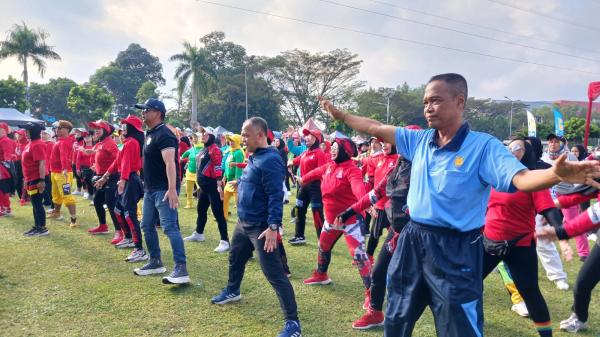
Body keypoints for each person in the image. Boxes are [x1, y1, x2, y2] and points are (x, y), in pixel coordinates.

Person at [319, 73, 600, 337]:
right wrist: (342, 116)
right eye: (426, 102)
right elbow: (375, 127)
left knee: (459, 326)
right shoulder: (418, 140)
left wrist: (554, 174)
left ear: (460, 102)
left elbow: (523, 178)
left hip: (456, 248)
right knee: (397, 316)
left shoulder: (483, 147)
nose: (429, 107)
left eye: (436, 100)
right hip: (412, 241)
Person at [211, 117, 301, 337]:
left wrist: (273, 227)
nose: (242, 138)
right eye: (242, 134)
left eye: (246, 134)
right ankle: (233, 290)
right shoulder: (255, 156)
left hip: (261, 227)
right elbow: (256, 179)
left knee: (274, 274)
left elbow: (275, 195)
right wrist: (240, 182)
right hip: (244, 223)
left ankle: (293, 323)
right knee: (235, 257)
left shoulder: (270, 159)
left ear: (260, 134)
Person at [483, 138, 565, 337]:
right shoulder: (496, 176)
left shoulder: (532, 179)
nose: (512, 150)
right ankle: (472, 326)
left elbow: (550, 210)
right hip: (489, 243)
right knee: (469, 285)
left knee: (530, 292)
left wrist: (561, 232)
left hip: (520, 245)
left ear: (526, 152)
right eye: (510, 146)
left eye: (518, 147)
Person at [299, 135, 371, 293]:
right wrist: (303, 179)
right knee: (323, 246)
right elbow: (316, 172)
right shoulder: (330, 166)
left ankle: (371, 292)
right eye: (331, 148)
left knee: (358, 255)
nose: (331, 150)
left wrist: (366, 203)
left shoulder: (352, 169)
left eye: (335, 148)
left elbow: (358, 187)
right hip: (331, 221)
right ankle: (321, 274)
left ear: (345, 151)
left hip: (351, 219)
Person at [132, 98, 190, 284]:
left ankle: (181, 268)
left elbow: (170, 163)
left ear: (158, 113)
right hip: (150, 189)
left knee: (170, 228)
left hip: (164, 188)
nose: (143, 113)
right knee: (146, 225)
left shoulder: (164, 134)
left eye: (146, 110)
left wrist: (172, 189)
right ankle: (155, 261)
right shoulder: (150, 134)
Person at [102, 115, 147, 262]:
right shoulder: (126, 142)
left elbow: (127, 163)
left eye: (125, 126)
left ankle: (139, 249)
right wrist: (105, 176)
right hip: (126, 179)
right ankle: (128, 237)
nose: (122, 129)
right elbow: (117, 162)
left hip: (130, 180)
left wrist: (122, 181)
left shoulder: (132, 142)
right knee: (118, 210)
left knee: (129, 214)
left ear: (131, 128)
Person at [183, 126, 230, 253]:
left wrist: (219, 186)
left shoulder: (215, 150)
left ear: (212, 136)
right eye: (202, 134)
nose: (202, 136)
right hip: (203, 187)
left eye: (205, 134)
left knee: (218, 213)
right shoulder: (204, 149)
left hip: (213, 186)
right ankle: (199, 233)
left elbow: (218, 167)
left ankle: (225, 241)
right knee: (201, 210)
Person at [287, 128, 329, 245]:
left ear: (316, 139)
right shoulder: (306, 152)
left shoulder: (319, 153)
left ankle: (322, 240)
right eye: (306, 136)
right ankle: (299, 235)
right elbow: (296, 160)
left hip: (315, 188)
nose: (306, 138)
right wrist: (290, 162)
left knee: (317, 213)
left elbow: (320, 171)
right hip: (303, 187)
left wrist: (305, 178)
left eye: (310, 136)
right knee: (299, 210)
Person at [87, 120, 120, 241]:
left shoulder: (110, 143)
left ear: (105, 130)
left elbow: (118, 160)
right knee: (97, 201)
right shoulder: (101, 142)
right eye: (95, 128)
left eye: (99, 128)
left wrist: (106, 174)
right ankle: (103, 226)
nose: (96, 130)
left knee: (111, 204)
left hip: (111, 177)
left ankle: (119, 231)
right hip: (100, 177)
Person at [20, 122, 49, 237]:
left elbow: (42, 163)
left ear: (34, 132)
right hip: (31, 177)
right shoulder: (31, 143)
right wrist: (26, 179)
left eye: (27, 131)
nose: (25, 133)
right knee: (35, 203)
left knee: (37, 203)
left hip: (38, 178)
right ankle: (37, 226)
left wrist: (41, 180)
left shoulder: (38, 144)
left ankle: (42, 228)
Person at [47, 120, 78, 228]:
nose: (57, 130)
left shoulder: (65, 141)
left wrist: (64, 169)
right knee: (55, 194)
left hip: (62, 173)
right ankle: (56, 212)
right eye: (57, 128)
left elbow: (64, 156)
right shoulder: (60, 140)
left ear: (66, 129)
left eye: (59, 128)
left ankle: (73, 219)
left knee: (66, 195)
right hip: (56, 172)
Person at [222, 133, 245, 220]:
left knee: (238, 203)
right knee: (224, 200)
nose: (231, 142)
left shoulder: (238, 152)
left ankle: (242, 220)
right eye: (230, 141)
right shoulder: (230, 151)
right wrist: (224, 176)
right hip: (229, 181)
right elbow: (228, 165)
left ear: (238, 141)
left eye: (233, 141)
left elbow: (239, 168)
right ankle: (224, 217)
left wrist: (237, 181)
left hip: (235, 182)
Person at [180, 132, 202, 209]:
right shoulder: (191, 149)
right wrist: (183, 159)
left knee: (201, 188)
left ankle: (202, 203)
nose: (194, 140)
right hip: (190, 172)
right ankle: (189, 204)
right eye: (193, 138)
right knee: (188, 189)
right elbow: (183, 156)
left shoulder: (203, 149)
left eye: (196, 138)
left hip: (199, 173)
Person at [0, 123, 16, 216]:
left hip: (3, 167)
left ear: (5, 131)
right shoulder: (2, 140)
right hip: (3, 166)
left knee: (3, 189)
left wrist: (6, 164)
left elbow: (8, 155)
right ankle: (4, 208)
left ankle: (6, 208)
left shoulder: (5, 140)